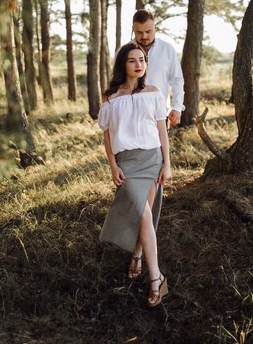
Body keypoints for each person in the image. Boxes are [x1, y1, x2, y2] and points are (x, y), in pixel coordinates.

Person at [98, 42, 170, 308]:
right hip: (127, 163)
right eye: (133, 60)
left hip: (151, 159)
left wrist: (167, 164)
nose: (139, 64)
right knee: (142, 214)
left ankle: (151, 273)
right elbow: (107, 136)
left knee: (144, 215)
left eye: (142, 59)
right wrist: (113, 165)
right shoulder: (111, 98)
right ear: (123, 65)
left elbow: (162, 131)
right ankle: (149, 268)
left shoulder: (153, 93)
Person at [132, 9, 185, 127]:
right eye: (139, 32)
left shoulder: (167, 50)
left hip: (160, 115)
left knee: (162, 146)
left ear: (155, 27)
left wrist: (176, 107)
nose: (144, 36)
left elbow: (177, 80)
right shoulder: (124, 52)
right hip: (131, 115)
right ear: (133, 29)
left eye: (148, 31)